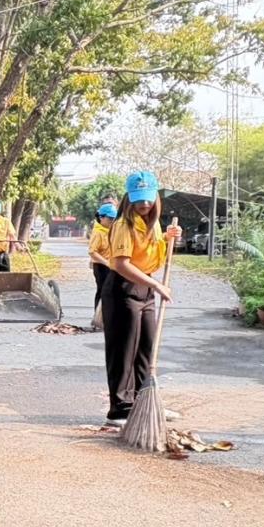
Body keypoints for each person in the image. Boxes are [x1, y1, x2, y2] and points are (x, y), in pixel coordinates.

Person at [101, 171, 182, 426]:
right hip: (123, 288)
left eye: (148, 198)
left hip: (144, 286)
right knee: (124, 350)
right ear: (129, 198)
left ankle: (144, 400)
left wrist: (169, 238)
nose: (144, 204)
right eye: (139, 199)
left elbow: (150, 253)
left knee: (146, 346)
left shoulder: (153, 223)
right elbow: (121, 264)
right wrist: (156, 285)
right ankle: (120, 409)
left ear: (156, 197)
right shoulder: (123, 225)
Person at [88, 202, 117, 328]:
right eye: (110, 218)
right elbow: (92, 252)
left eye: (114, 218)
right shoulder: (98, 232)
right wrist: (106, 263)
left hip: (111, 265)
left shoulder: (111, 230)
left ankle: (108, 318)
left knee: (111, 292)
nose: (112, 221)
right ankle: (99, 319)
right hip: (101, 267)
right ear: (101, 217)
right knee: (102, 291)